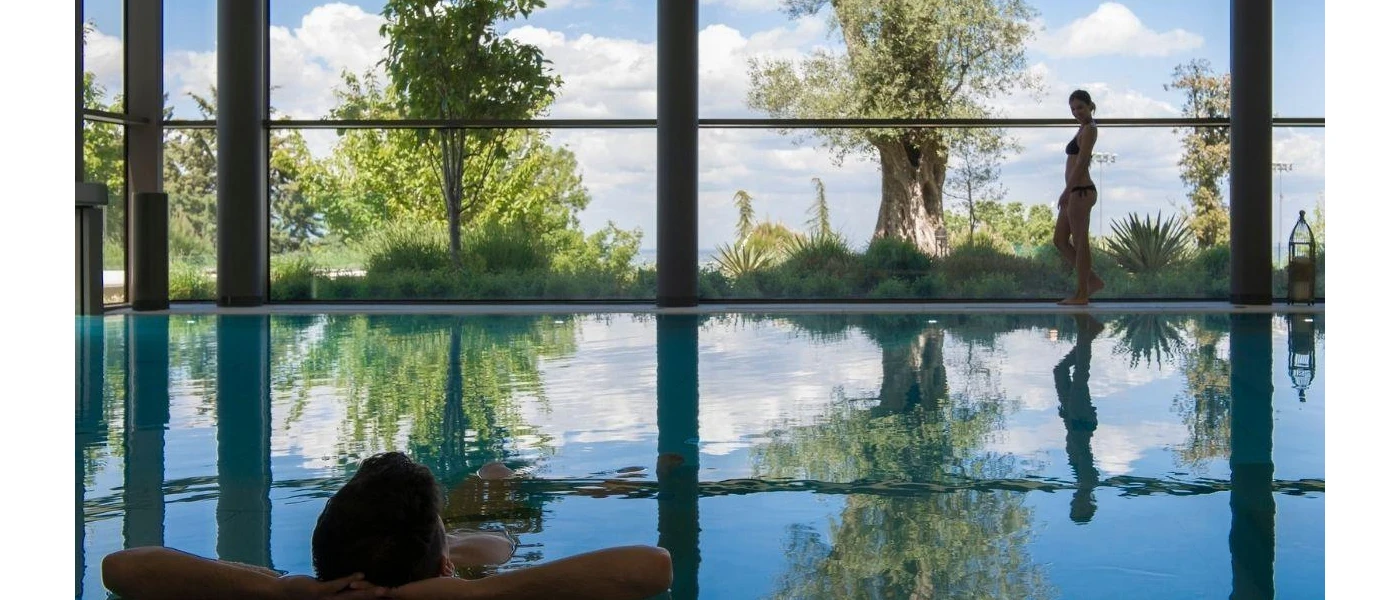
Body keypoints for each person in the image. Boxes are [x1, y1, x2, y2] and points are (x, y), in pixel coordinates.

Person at [101, 452, 673, 600]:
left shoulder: (299, 592)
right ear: (446, 566)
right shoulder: (476, 569)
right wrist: (477, 597)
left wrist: (283, 588)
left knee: (492, 479)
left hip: (435, 547)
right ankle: (604, 480)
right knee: (497, 481)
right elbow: (651, 568)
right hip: (475, 544)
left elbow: (124, 570)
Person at [1054, 89, 1105, 306]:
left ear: (1090, 105)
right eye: (1073, 109)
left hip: (1081, 191)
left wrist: (1067, 191)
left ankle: (1082, 293)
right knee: (1059, 240)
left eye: (1080, 107)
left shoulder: (1090, 130)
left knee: (1080, 241)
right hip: (1075, 191)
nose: (1077, 112)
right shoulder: (1082, 128)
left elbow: (1082, 162)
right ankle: (1091, 280)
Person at [1053, 313, 1104, 523]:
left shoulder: (1080, 482)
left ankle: (1089, 334)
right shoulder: (1088, 482)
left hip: (1072, 418)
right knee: (1080, 374)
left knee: (1060, 371)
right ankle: (1086, 331)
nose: (1073, 503)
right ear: (1087, 505)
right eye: (1077, 507)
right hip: (1081, 420)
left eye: (1073, 507)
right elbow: (1082, 450)